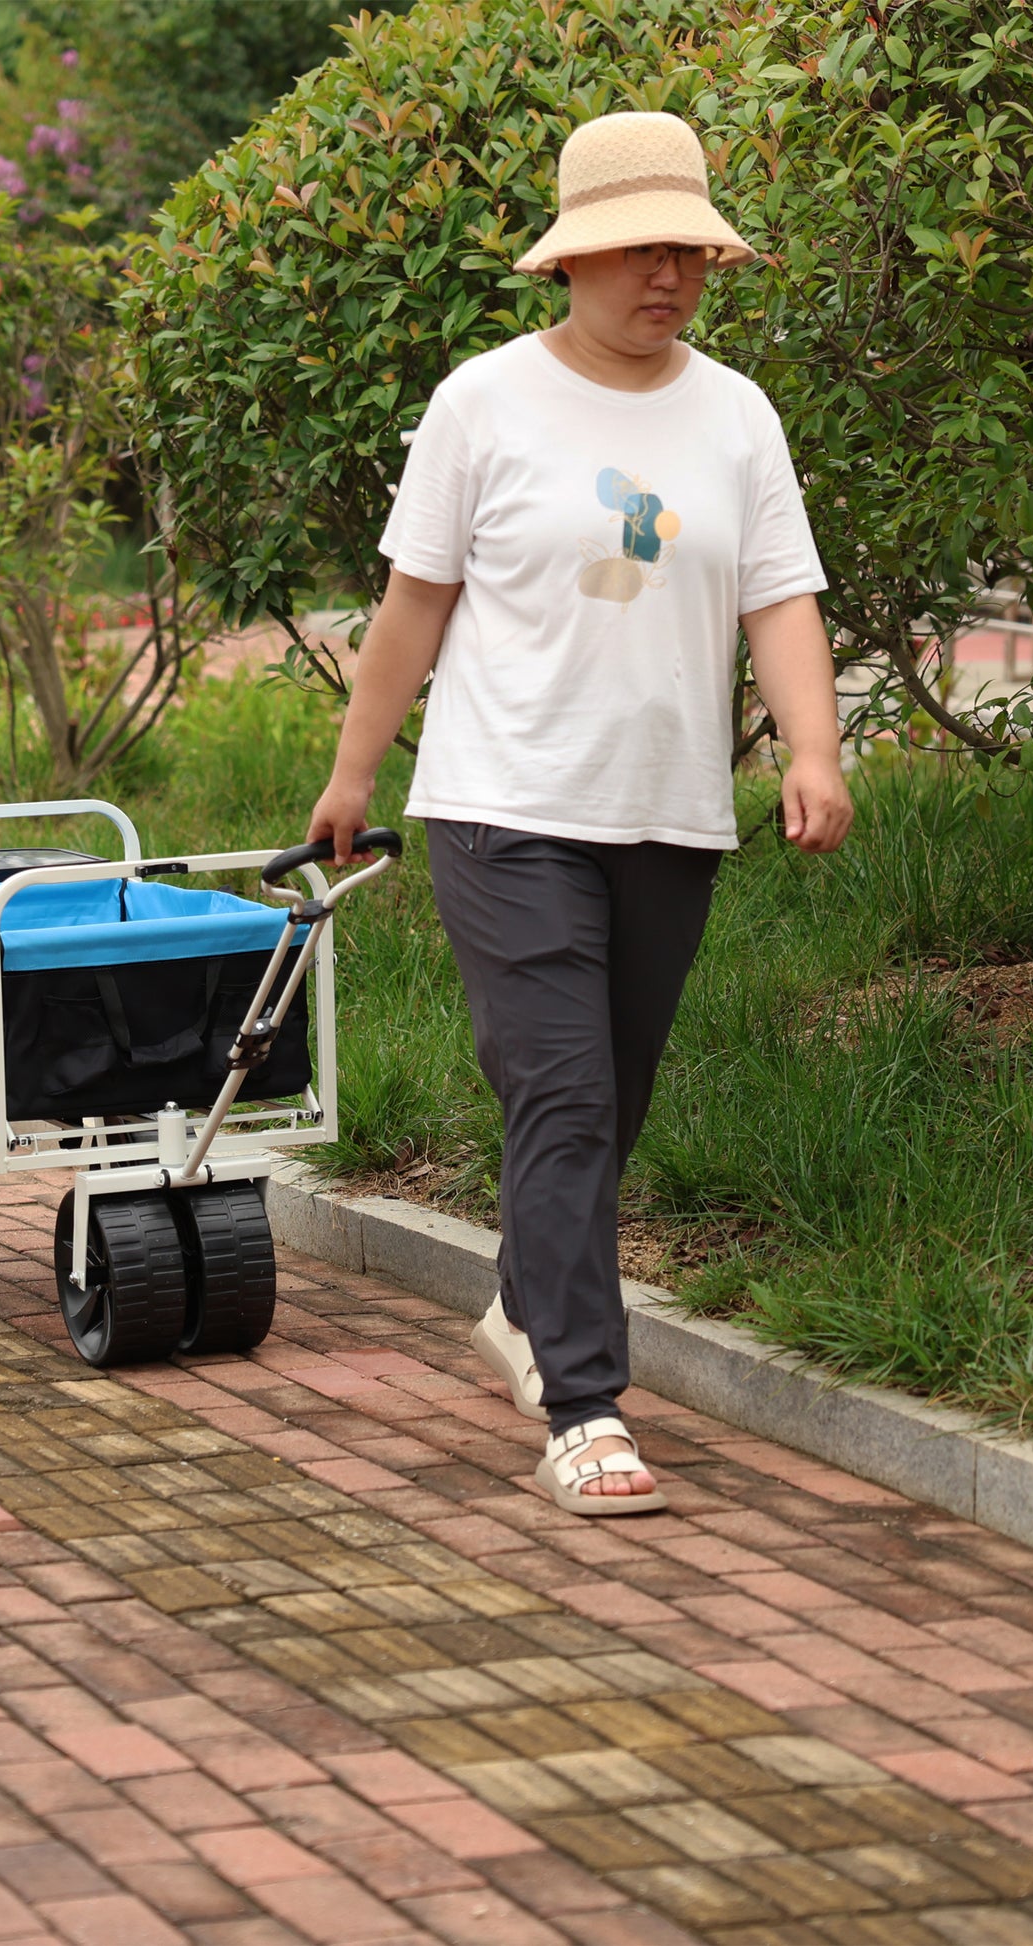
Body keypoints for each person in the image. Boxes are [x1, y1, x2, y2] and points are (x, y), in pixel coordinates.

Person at [305, 110, 852, 1517]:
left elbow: (778, 595)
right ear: (570, 260)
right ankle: (583, 1401)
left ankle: (520, 1301)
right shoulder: (483, 403)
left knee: (606, 1106)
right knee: (563, 1091)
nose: (661, 275)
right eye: (631, 249)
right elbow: (412, 606)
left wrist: (812, 747)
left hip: (666, 815)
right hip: (506, 807)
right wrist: (352, 776)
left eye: (685, 248)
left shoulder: (734, 413)